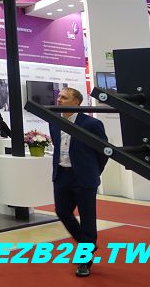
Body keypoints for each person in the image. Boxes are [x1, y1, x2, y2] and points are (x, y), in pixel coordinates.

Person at [50, 87, 108, 278]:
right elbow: (58, 146)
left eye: (64, 97)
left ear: (76, 102)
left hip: (84, 178)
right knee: (62, 211)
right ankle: (87, 244)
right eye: (59, 96)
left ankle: (84, 261)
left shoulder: (92, 124)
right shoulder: (54, 121)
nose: (59, 100)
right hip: (62, 175)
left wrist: (93, 171)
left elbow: (103, 152)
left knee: (87, 219)